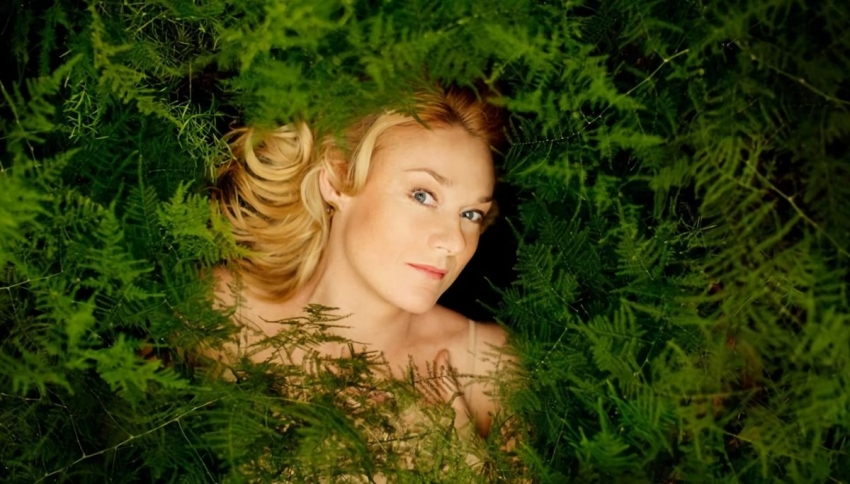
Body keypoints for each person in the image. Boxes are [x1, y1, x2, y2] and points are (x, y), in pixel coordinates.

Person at [209, 85, 512, 439]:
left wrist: (467, 461)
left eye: (471, 214)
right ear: (337, 177)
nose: (455, 241)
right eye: (423, 195)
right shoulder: (218, 313)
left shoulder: (488, 366)